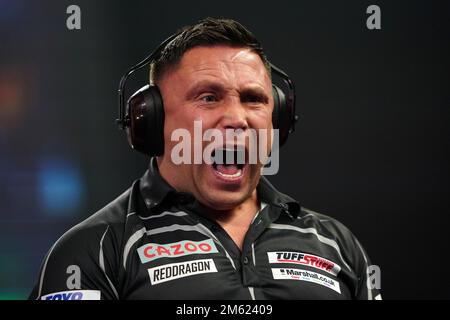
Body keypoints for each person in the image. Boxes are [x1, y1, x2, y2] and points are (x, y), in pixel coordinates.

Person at [29, 18, 381, 300]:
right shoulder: (95, 251)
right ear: (150, 119)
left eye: (252, 98)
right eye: (209, 97)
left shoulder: (337, 245)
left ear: (278, 119)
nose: (236, 118)